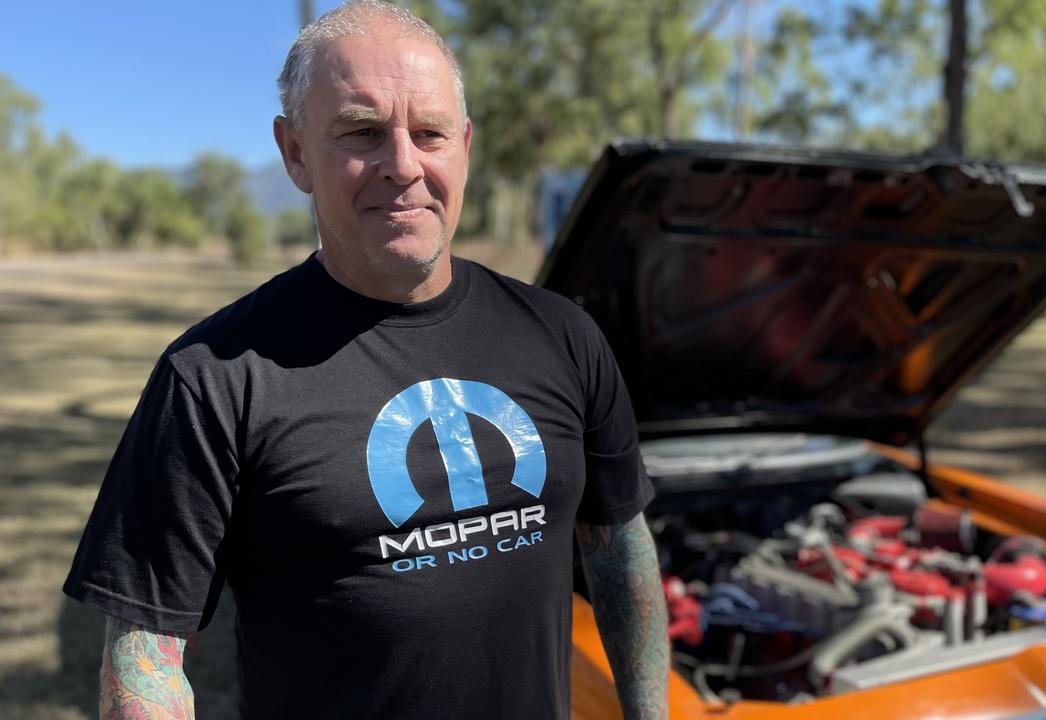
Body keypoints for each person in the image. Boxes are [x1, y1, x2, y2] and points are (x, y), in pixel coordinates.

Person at [62, 2, 669, 718]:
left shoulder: (562, 335)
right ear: (294, 154)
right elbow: (144, 653)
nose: (403, 166)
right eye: (362, 133)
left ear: (464, 145)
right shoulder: (215, 377)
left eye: (430, 133)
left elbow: (619, 551)